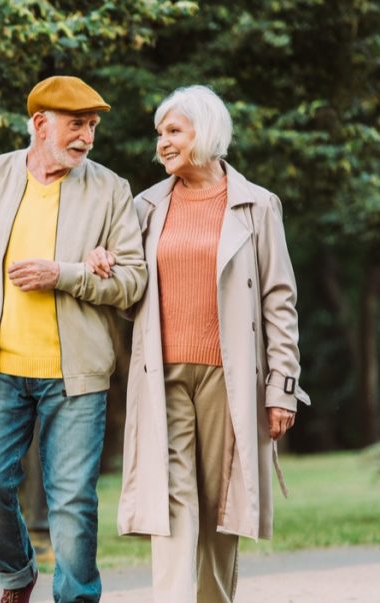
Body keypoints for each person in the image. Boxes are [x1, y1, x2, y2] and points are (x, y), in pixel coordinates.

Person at [87, 85, 310, 602]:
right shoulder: (144, 207)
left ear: (205, 133)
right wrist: (104, 263)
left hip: (230, 376)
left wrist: (282, 387)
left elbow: (279, 300)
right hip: (161, 373)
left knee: (220, 502)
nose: (162, 143)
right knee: (170, 498)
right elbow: (129, 290)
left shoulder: (257, 206)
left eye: (174, 131)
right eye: (159, 133)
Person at [0, 75, 148, 603]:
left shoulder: (110, 190)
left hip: (76, 377)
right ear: (40, 124)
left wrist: (66, 274)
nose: (87, 137)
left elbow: (133, 282)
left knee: (72, 502)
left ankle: (76, 598)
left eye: (93, 126)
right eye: (77, 125)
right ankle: (17, 573)